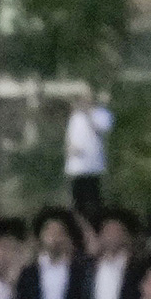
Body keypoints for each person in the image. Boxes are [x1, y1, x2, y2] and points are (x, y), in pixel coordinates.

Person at [61, 87, 114, 227]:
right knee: (77, 202)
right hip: (76, 167)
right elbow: (70, 137)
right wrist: (69, 149)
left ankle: (96, 226)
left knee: (94, 201)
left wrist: (88, 115)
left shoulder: (102, 114)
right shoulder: (75, 116)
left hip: (93, 167)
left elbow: (100, 129)